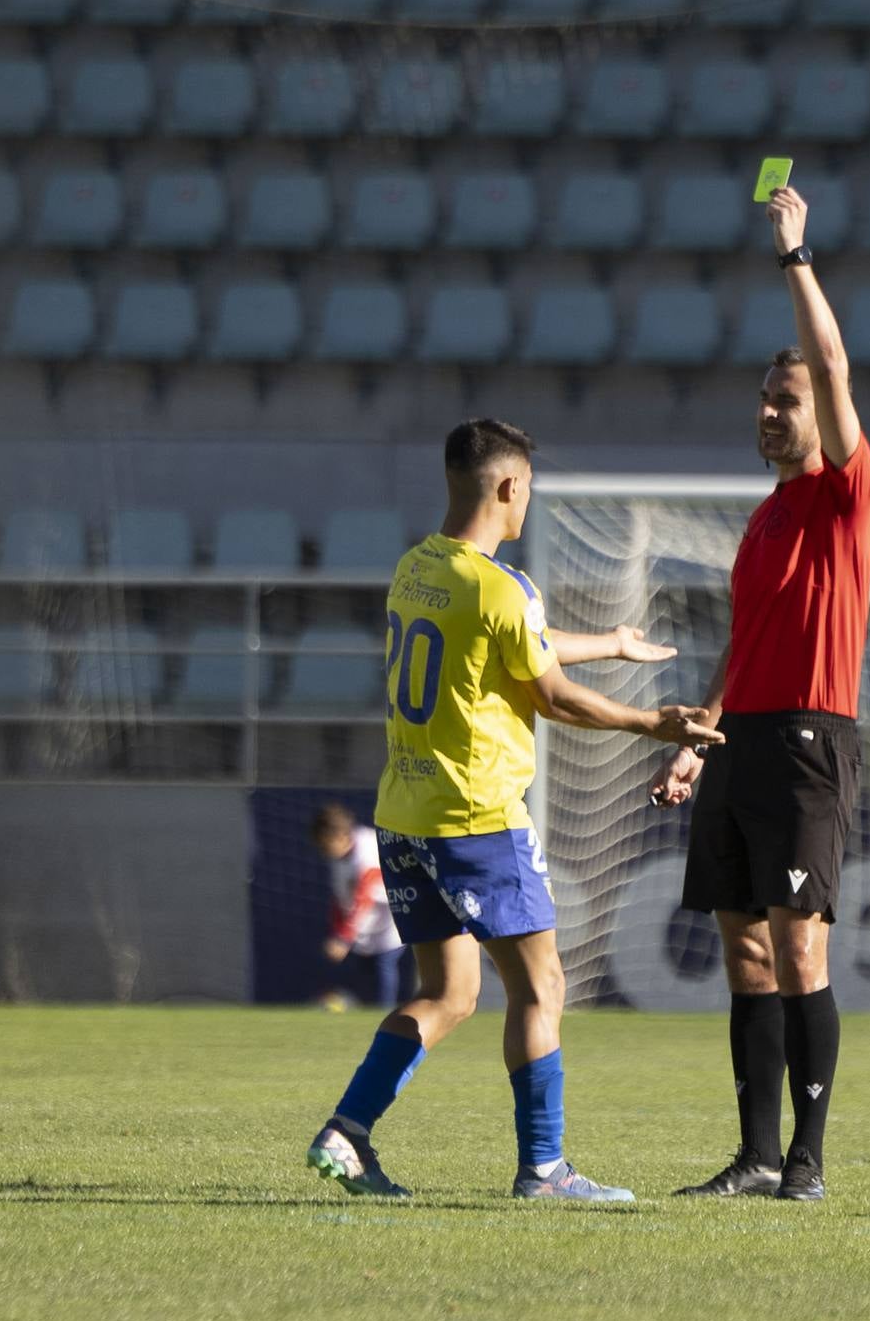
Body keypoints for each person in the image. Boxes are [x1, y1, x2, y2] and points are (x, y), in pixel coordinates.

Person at [304, 419, 716, 1203]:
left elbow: (513, 641)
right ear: (509, 486)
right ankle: (545, 1170)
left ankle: (348, 1131)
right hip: (477, 819)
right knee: (540, 987)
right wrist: (649, 722)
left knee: (448, 994)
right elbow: (550, 694)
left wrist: (611, 642)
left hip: (404, 815)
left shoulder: (417, 568)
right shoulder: (503, 586)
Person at [649, 184, 870, 1204]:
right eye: (763, 399)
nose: (769, 412)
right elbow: (744, 643)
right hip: (740, 738)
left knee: (799, 948)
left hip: (807, 741)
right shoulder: (763, 519)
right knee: (743, 952)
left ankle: (808, 1162)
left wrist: (795, 255)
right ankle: (753, 1157)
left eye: (784, 400)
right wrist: (698, 735)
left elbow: (832, 362)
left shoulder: (845, 495)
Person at [311, 802, 409, 1010]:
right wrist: (339, 930)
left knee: (384, 965)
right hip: (366, 924)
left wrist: (343, 938)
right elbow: (340, 897)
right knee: (366, 973)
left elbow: (364, 896)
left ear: (341, 837)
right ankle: (370, 1013)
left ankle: (385, 1013)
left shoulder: (366, 849)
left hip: (392, 915)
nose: (324, 850)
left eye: (326, 844)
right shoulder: (339, 856)